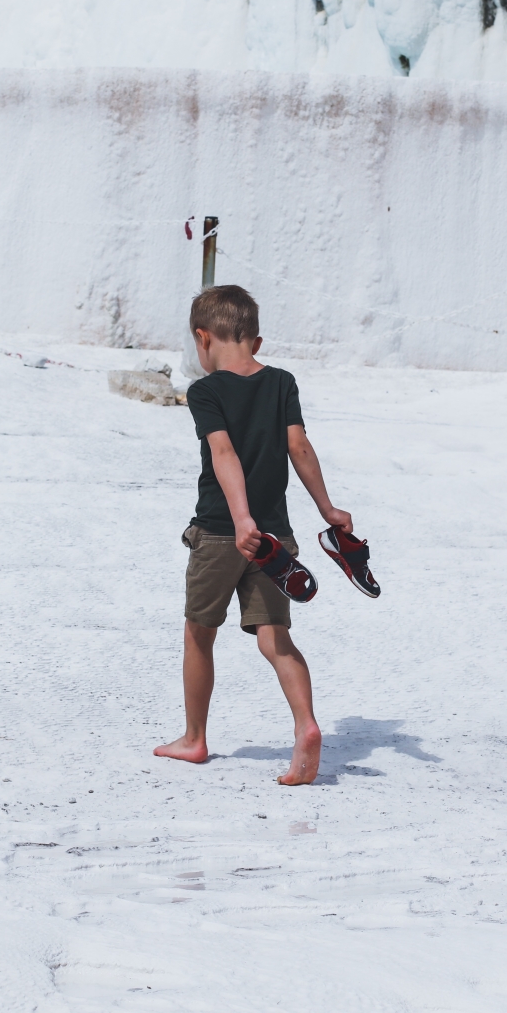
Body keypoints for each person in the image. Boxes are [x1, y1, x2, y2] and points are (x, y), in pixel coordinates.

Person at [154, 284, 352, 787]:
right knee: (276, 637)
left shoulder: (205, 391)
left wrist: (241, 520)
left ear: (203, 340)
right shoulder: (282, 382)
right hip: (275, 541)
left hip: (224, 533)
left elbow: (224, 454)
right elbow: (299, 447)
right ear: (256, 342)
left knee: (200, 634)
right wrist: (328, 509)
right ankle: (305, 725)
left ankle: (194, 738)